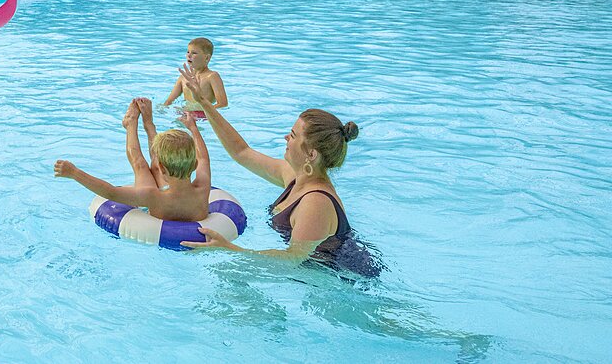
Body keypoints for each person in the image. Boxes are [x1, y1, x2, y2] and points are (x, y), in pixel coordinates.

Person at [177, 68, 379, 277]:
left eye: (292, 135)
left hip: (346, 283)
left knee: (227, 273)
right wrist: (204, 103)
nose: (285, 138)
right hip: (318, 277)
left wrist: (229, 248)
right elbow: (241, 152)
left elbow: (291, 260)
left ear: (311, 154)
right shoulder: (295, 176)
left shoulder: (316, 203)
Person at [54, 98, 212, 223]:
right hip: (177, 191)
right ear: (195, 164)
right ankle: (148, 123)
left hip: (162, 198)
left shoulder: (153, 196)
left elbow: (111, 192)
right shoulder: (203, 187)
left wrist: (74, 173)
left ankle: (132, 124)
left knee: (140, 165)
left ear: (162, 168)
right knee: (154, 164)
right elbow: (203, 157)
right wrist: (193, 128)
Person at [162, 37, 228, 119]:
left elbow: (223, 103)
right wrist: (161, 111)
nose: (189, 55)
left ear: (207, 58)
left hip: (204, 118)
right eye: (188, 52)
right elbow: (169, 101)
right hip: (186, 114)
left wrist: (200, 114)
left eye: (194, 53)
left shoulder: (212, 76)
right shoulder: (183, 78)